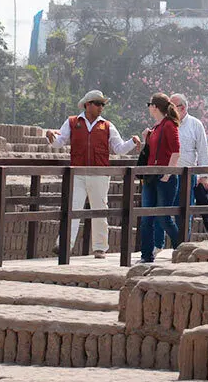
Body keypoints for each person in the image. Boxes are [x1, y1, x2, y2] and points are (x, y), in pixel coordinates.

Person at [46, 90, 140, 259]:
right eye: (98, 104)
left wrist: (132, 142)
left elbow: (119, 149)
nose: (101, 107)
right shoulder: (72, 122)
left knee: (100, 210)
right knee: (73, 209)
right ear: (87, 104)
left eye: (103, 104)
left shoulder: (108, 126)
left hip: (100, 174)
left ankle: (99, 248)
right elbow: (58, 143)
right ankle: (64, 245)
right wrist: (50, 137)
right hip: (78, 173)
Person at [153, 93, 208, 254]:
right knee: (161, 211)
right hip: (166, 174)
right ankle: (158, 245)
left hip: (187, 176)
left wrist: (203, 176)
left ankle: (181, 248)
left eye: (172, 106)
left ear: (182, 108)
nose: (168, 109)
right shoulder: (164, 123)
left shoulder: (195, 125)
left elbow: (203, 151)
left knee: (184, 213)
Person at [138, 93, 182, 263]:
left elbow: (176, 152)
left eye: (150, 104)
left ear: (155, 106)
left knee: (163, 217)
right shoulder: (156, 127)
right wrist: (146, 139)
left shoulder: (169, 125)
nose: (149, 107)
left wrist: (168, 173)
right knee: (146, 217)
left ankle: (182, 247)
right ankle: (146, 255)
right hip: (151, 176)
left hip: (164, 177)